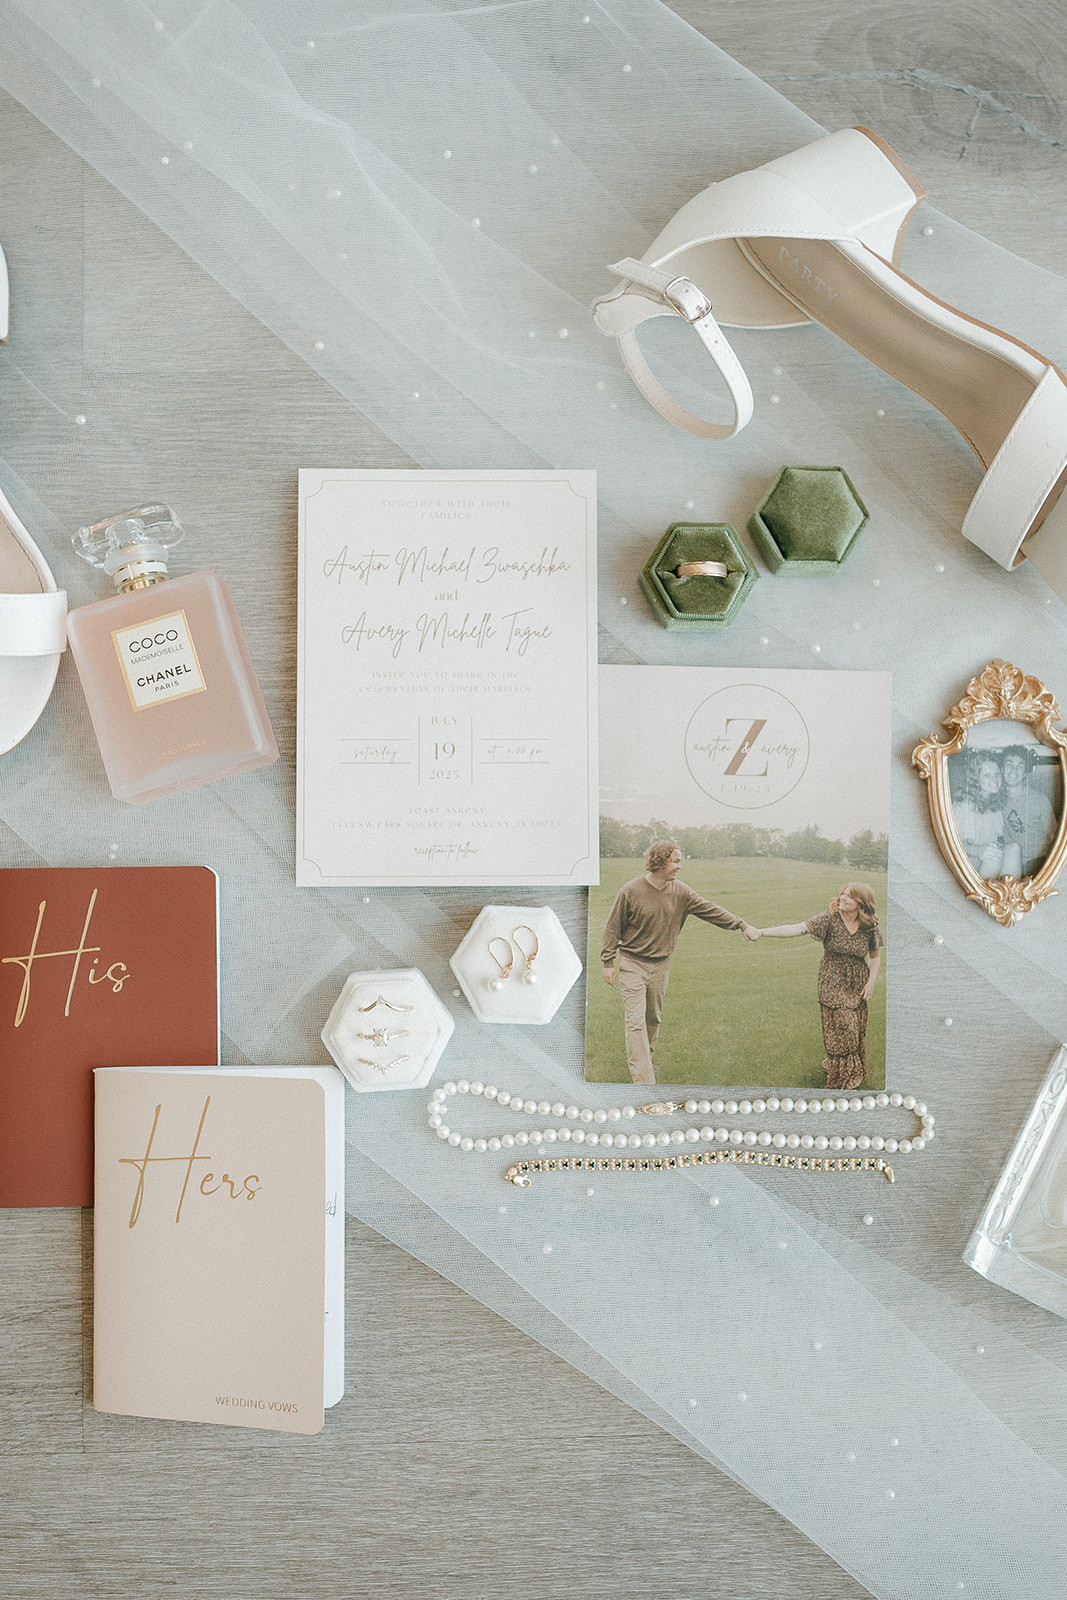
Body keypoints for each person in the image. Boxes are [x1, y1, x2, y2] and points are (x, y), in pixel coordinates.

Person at [600, 840, 758, 1085]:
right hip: (632, 963)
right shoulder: (630, 890)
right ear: (660, 861)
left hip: (661, 965)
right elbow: (613, 927)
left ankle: (644, 1061)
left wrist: (741, 924)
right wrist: (607, 962)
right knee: (635, 1022)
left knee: (653, 1019)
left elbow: (710, 909)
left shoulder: (681, 892)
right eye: (676, 861)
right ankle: (644, 1083)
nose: (680, 866)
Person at [753, 883, 882, 1092]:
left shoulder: (870, 927)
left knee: (855, 1029)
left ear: (862, 903)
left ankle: (844, 1067)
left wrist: (871, 982)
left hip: (857, 982)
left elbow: (875, 957)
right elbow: (796, 928)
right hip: (832, 980)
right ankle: (844, 1077)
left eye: (850, 896)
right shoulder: (828, 919)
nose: (843, 898)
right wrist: (761, 932)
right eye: (842, 894)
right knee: (843, 1027)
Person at [1000, 745, 1055, 878]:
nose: (1014, 770)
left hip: (1038, 861)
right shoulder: (997, 798)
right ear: (1001, 770)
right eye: (1009, 764)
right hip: (1011, 859)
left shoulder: (1039, 799)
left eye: (1020, 765)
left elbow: (1054, 836)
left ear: (1025, 772)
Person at [952, 754, 1006, 879]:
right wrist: (979, 850)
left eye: (997, 774)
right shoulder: (964, 804)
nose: (994, 779)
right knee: (995, 857)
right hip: (964, 863)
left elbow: (998, 838)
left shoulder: (994, 802)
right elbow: (952, 844)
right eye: (987, 775)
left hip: (985, 859)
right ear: (975, 778)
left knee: (1012, 849)